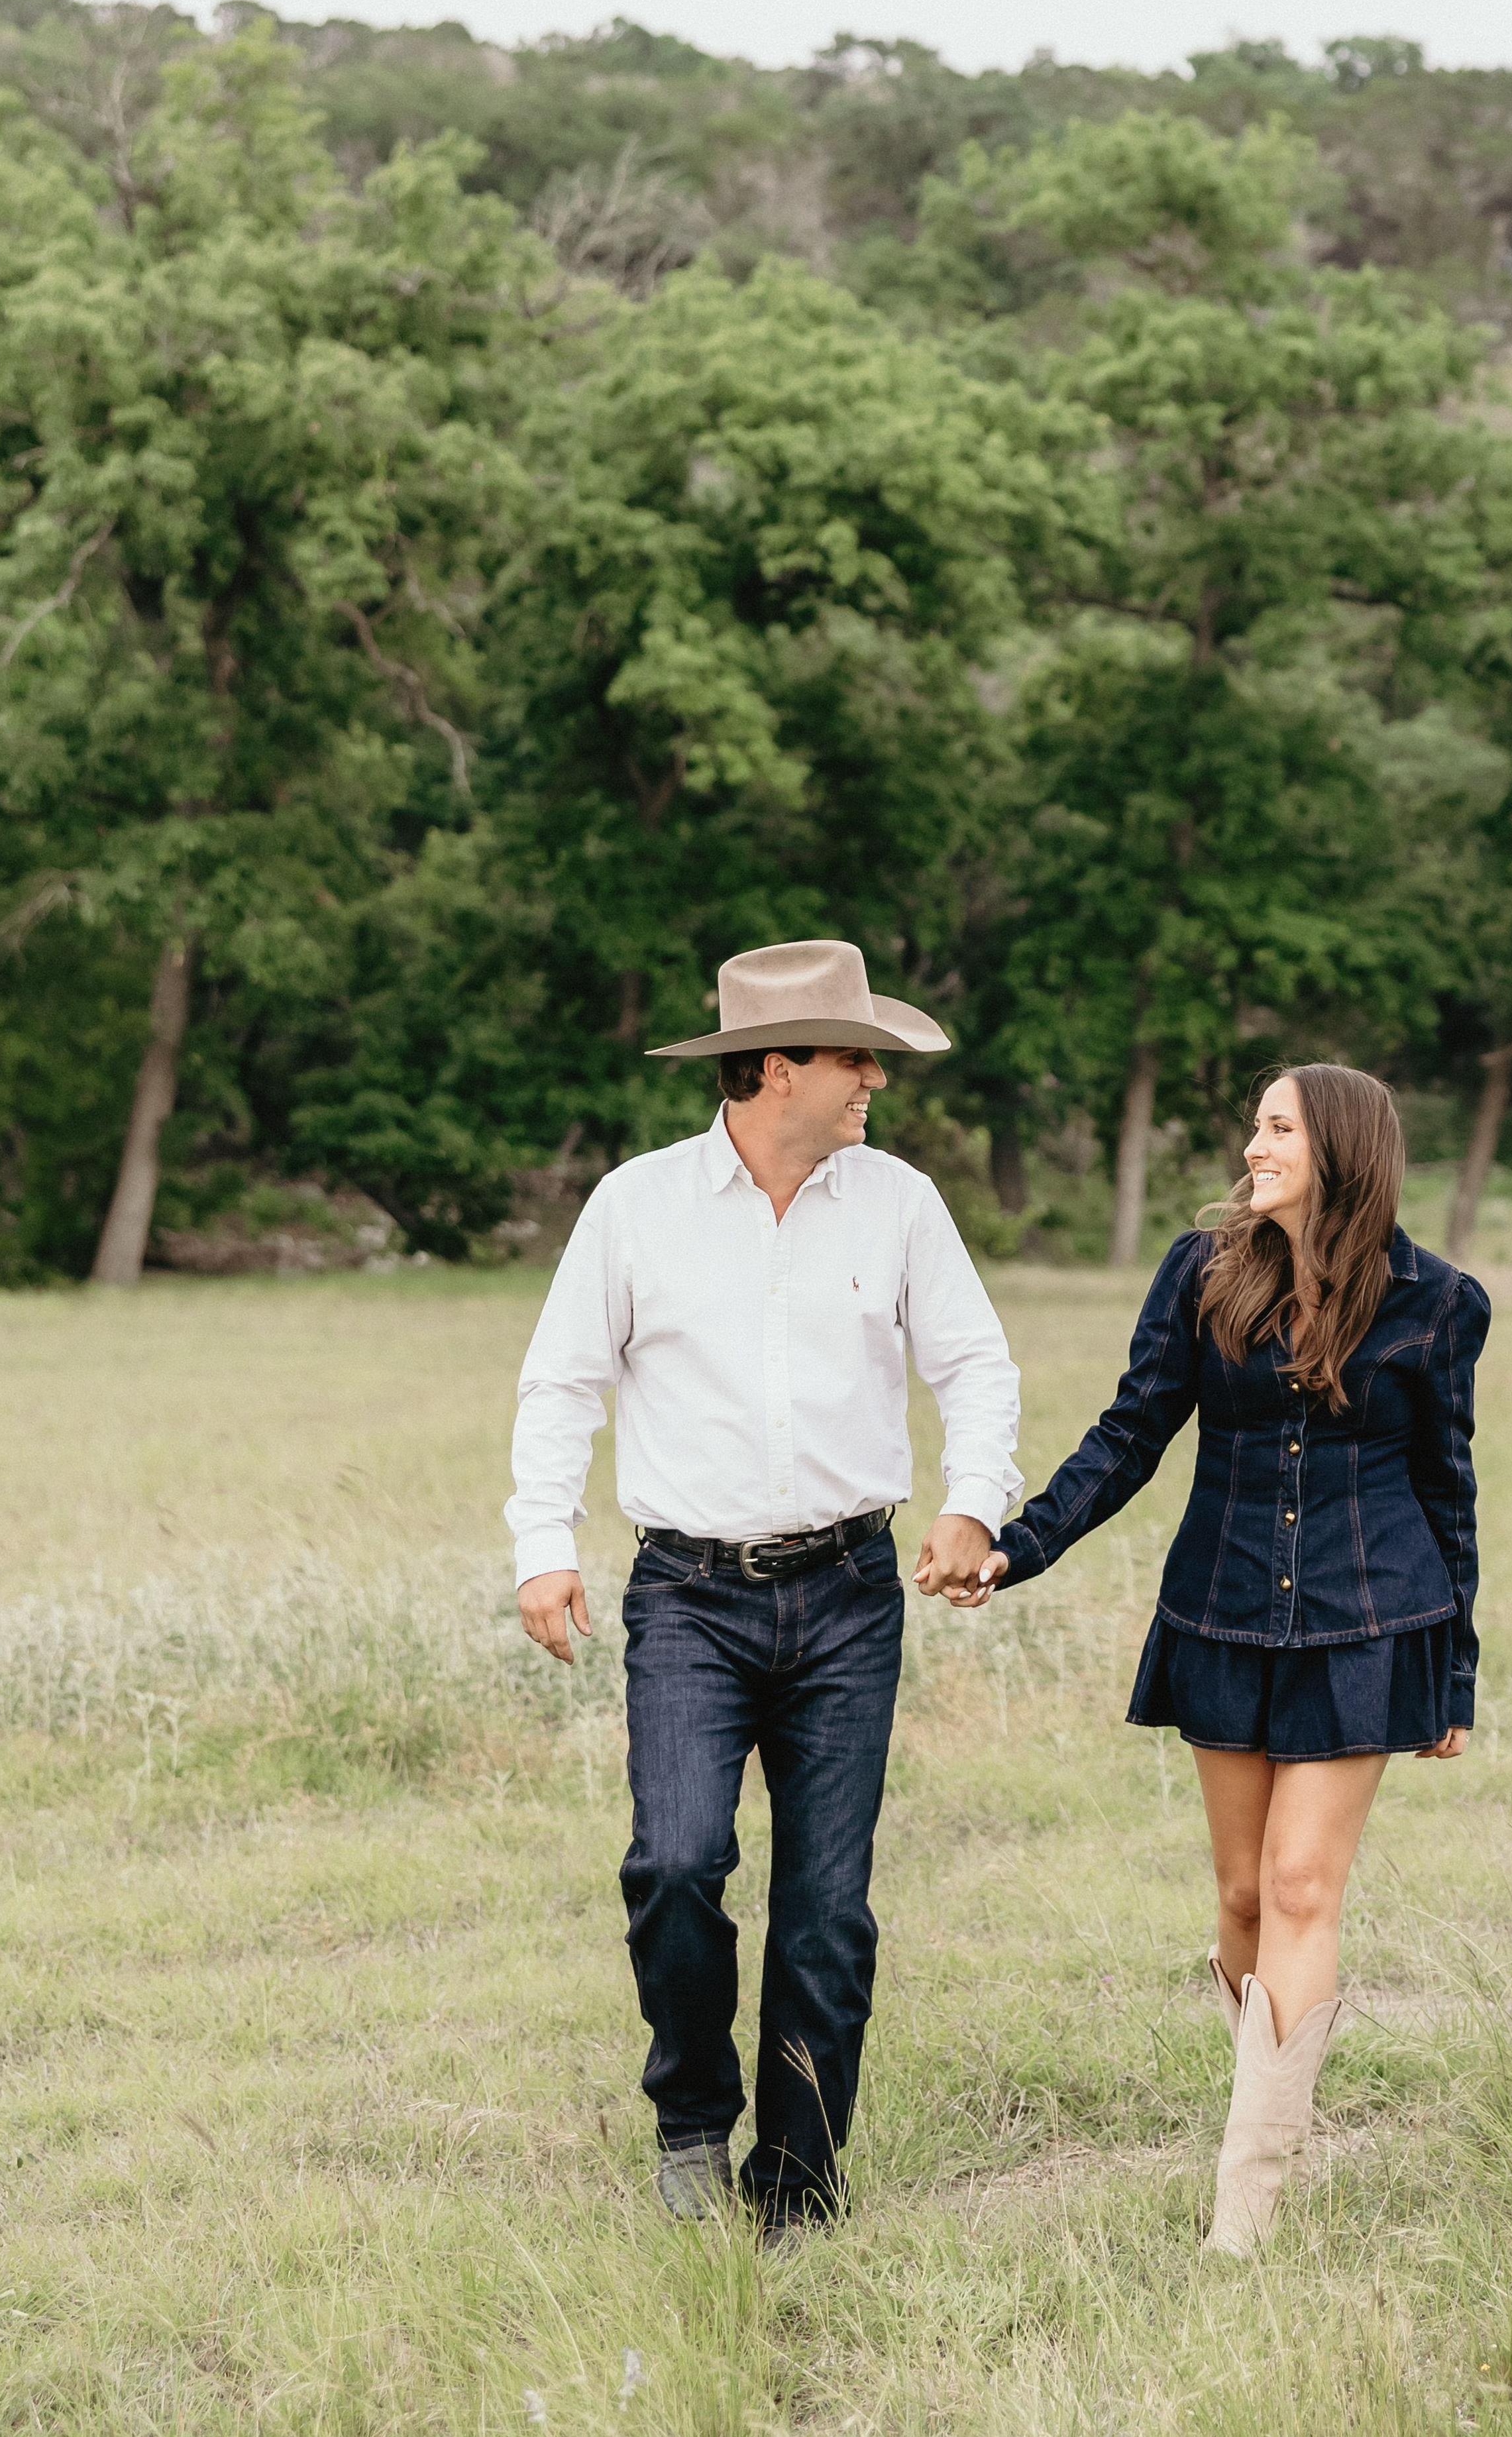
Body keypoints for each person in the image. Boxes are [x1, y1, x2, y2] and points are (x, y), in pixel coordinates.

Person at [506, 940, 1020, 2239]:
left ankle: (798, 2180)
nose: (875, 1081)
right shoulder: (636, 1205)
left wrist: (972, 1499)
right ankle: (692, 2122)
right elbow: (562, 1381)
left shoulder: (899, 1203)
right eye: (855, 1058)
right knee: (676, 1861)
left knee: (825, 1910)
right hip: (688, 1593)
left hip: (849, 1589)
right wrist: (543, 1542)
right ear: (774, 1067)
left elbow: (975, 1364)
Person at [940, 1062, 1485, 2256]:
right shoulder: (1204, 1273)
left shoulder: (1439, 1303)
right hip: (1224, 1611)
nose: (1254, 1147)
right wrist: (1019, 1546)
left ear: (1341, 1148)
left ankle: (1245, 2212)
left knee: (1300, 1887)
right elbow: (1131, 1431)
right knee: (1241, 1897)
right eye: (1257, 1127)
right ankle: (1266, 2111)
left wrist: (1454, 1673)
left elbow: (1448, 1487)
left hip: (1368, 1623)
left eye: (1279, 1128)